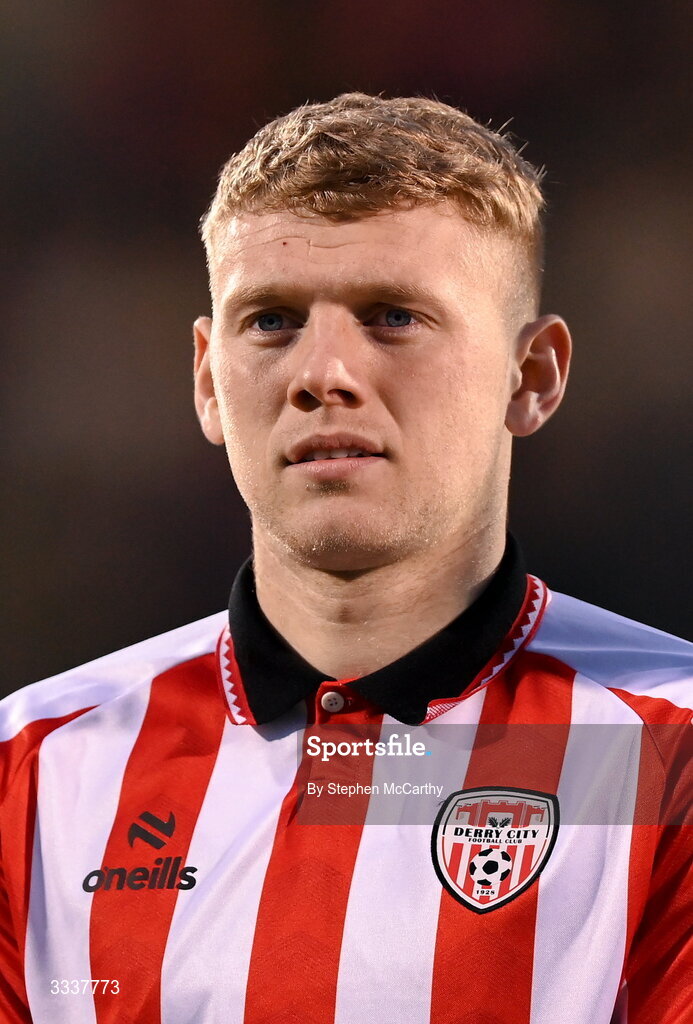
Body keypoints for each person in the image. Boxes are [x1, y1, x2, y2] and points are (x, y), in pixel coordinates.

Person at [0, 93, 690, 1024]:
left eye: (393, 316)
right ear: (208, 382)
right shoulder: (34, 766)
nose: (322, 372)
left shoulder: (668, 749)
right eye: (272, 321)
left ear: (532, 377)